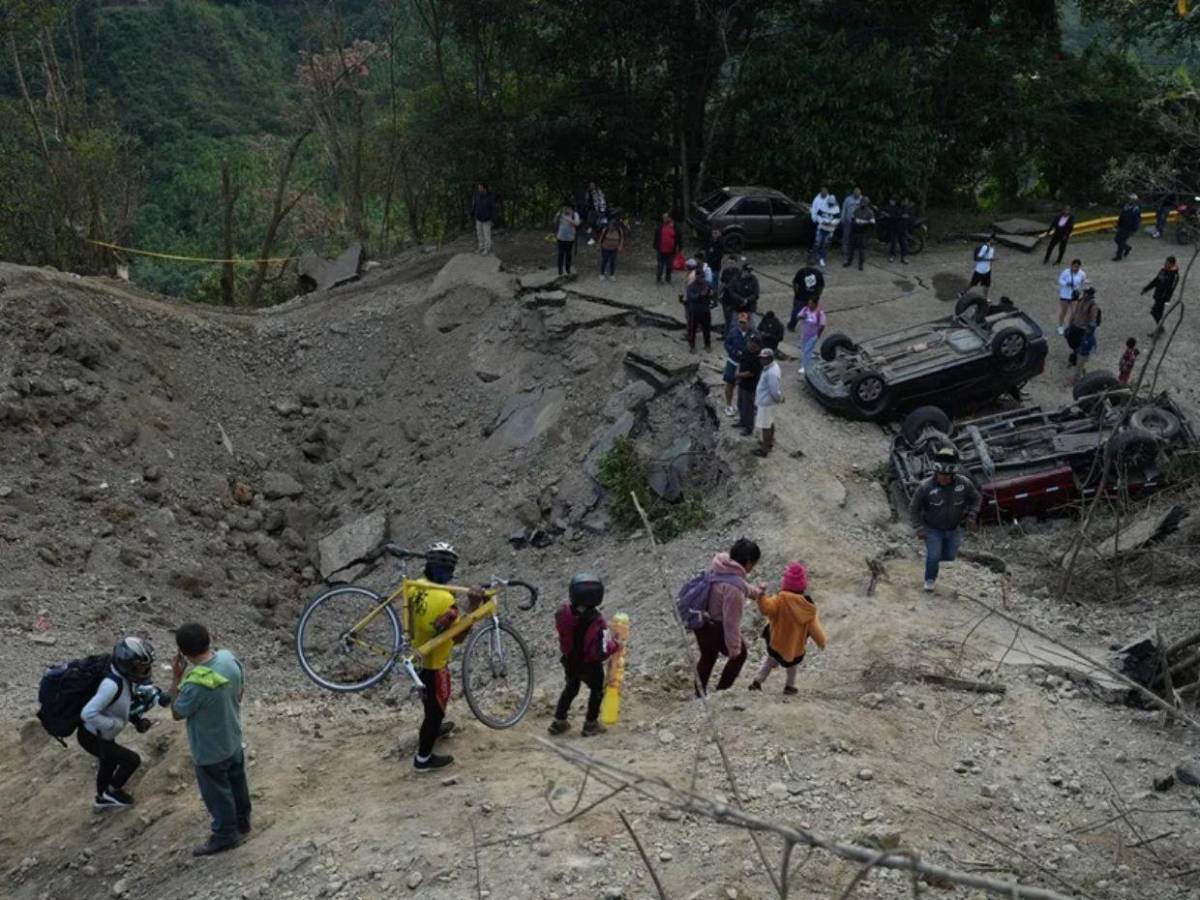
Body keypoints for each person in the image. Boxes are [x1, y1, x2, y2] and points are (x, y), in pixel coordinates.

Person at [399, 542, 486, 773]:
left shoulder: (417, 586)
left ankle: (434, 730)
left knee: (430, 705)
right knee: (436, 711)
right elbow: (457, 638)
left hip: (418, 657)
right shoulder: (443, 600)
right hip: (435, 664)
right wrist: (474, 607)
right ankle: (423, 759)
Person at [167, 624, 250, 856]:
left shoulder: (195, 684)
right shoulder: (228, 659)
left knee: (218, 794)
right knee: (237, 784)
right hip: (233, 738)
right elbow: (240, 693)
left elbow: (176, 712)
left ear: (183, 652)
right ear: (209, 639)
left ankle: (225, 835)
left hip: (209, 750)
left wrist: (176, 679)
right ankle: (243, 823)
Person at [80, 637, 158, 809]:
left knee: (109, 762)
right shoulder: (111, 685)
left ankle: (103, 796)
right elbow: (88, 713)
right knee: (131, 760)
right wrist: (112, 725)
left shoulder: (123, 679)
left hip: (99, 735)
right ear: (126, 663)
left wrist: (136, 721)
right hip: (92, 736)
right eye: (140, 666)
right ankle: (111, 791)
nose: (144, 671)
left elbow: (120, 706)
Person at [548, 574, 620, 737]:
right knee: (596, 690)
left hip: (570, 661)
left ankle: (558, 721)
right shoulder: (597, 620)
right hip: (590, 664)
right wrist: (615, 645)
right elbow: (601, 650)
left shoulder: (563, 613)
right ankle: (590, 724)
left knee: (571, 688)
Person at [694, 538, 764, 695]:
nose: (752, 567)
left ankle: (699, 694)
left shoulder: (720, 567)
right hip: (717, 626)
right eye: (753, 563)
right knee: (740, 655)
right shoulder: (734, 588)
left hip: (701, 622)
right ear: (747, 562)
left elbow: (743, 586)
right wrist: (734, 649)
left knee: (707, 656)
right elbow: (731, 622)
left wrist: (757, 593)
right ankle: (721, 693)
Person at [747, 562, 826, 694]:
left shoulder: (780, 600)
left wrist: (761, 596)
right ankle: (789, 686)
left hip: (777, 642)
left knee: (768, 662)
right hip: (795, 647)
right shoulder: (808, 607)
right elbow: (815, 629)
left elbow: (766, 609)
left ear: (786, 583)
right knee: (793, 667)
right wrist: (821, 642)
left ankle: (757, 682)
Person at [909, 446, 981, 592]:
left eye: (948, 476)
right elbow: (913, 509)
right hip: (932, 529)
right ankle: (929, 580)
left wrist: (972, 515)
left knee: (949, 556)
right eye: (941, 475)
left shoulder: (963, 483)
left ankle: (931, 559)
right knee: (934, 555)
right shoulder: (925, 487)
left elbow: (976, 498)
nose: (944, 478)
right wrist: (918, 527)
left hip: (954, 529)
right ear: (936, 472)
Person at [754, 348, 783, 458]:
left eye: (764, 359)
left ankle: (764, 450)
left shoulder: (771, 373)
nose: (761, 360)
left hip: (766, 404)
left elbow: (774, 391)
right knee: (769, 423)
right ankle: (769, 443)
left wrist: (778, 399)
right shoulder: (770, 367)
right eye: (761, 358)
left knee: (765, 426)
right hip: (767, 402)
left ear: (770, 358)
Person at [722, 313, 752, 417]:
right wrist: (734, 351)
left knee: (744, 386)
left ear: (749, 322)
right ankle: (728, 405)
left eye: (744, 322)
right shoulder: (733, 331)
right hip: (733, 362)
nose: (742, 325)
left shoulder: (753, 333)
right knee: (730, 383)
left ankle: (742, 407)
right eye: (740, 322)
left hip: (745, 364)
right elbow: (726, 344)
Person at [1142, 256, 1180, 335]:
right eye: (1165, 262)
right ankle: (1160, 328)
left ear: (1172, 264)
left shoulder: (1174, 275)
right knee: (1156, 313)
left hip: (1163, 298)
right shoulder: (1163, 270)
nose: (1165, 264)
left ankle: (1159, 330)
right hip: (1158, 295)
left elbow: (1171, 288)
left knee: (1155, 312)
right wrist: (1146, 289)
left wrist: (1166, 299)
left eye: (1167, 263)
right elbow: (1156, 281)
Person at [1065, 285, 1100, 370]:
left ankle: (1075, 362)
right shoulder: (1081, 301)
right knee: (1072, 343)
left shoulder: (1093, 306)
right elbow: (1075, 313)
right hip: (1075, 326)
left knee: (1078, 347)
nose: (1084, 294)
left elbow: (1093, 320)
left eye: (1086, 293)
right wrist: (1070, 323)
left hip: (1082, 330)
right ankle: (1074, 360)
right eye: (1084, 292)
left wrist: (1089, 330)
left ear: (1090, 294)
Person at [682, 263, 714, 352]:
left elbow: (712, 293)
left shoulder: (707, 284)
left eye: (703, 277)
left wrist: (710, 295)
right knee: (692, 329)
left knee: (706, 329)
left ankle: (707, 345)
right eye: (700, 277)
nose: (702, 279)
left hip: (705, 310)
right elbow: (691, 297)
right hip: (695, 310)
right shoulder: (691, 286)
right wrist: (701, 294)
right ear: (696, 276)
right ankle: (692, 346)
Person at [735, 335, 763, 436]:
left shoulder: (758, 357)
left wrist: (738, 375)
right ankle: (742, 421)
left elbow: (751, 373)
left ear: (757, 345)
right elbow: (740, 362)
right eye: (749, 341)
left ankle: (749, 427)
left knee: (748, 407)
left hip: (750, 386)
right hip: (742, 383)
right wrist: (738, 373)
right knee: (740, 403)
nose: (749, 344)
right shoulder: (746, 351)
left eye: (752, 342)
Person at [796, 294, 827, 375]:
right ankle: (811, 362)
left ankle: (804, 367)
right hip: (804, 334)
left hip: (813, 335)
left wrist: (818, 335)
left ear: (815, 304)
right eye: (809, 303)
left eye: (811, 304)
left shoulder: (820, 313)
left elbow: (822, 325)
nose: (809, 305)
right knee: (804, 350)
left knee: (807, 350)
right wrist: (802, 316)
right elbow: (798, 317)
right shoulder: (805, 309)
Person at [809, 186, 840, 268]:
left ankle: (822, 258)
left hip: (830, 230)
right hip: (821, 227)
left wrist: (832, 222)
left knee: (825, 244)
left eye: (831, 204)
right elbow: (818, 215)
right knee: (817, 243)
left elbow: (837, 219)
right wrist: (822, 221)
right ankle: (813, 257)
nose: (830, 205)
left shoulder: (836, 208)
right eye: (829, 203)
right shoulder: (823, 205)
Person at [788, 264, 824, 331]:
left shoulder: (801, 272)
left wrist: (796, 293)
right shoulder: (818, 273)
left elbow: (795, 283)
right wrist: (818, 295)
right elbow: (821, 286)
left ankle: (791, 326)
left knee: (796, 312)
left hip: (801, 296)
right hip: (813, 297)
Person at [1055, 259, 1086, 335]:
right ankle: (1060, 326)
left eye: (1077, 267)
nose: (1076, 269)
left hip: (1074, 295)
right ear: (1071, 265)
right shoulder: (1066, 272)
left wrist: (1082, 287)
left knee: (1074, 312)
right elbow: (1060, 280)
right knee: (1064, 311)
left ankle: (1070, 326)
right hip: (1065, 294)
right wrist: (1066, 283)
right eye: (1074, 266)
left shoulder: (1082, 273)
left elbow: (1083, 282)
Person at [845, 195, 876, 271]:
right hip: (854, 231)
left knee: (861, 249)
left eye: (865, 202)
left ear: (867, 203)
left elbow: (872, 222)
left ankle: (861, 264)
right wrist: (855, 221)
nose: (863, 203)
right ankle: (849, 261)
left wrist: (864, 222)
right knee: (851, 248)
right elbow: (853, 219)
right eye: (862, 201)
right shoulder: (857, 210)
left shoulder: (870, 212)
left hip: (863, 233)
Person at [962, 235, 996, 299]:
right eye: (994, 240)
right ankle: (962, 293)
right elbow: (978, 257)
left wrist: (990, 267)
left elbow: (990, 259)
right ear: (991, 240)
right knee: (973, 283)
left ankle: (985, 298)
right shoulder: (985, 247)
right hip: (979, 270)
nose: (995, 242)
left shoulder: (992, 249)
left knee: (987, 285)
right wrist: (989, 260)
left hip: (987, 270)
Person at [597, 212, 626, 280]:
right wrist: (599, 246)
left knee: (613, 261)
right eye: (610, 226)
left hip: (614, 248)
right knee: (605, 260)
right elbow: (601, 238)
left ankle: (612, 275)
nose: (611, 228)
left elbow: (622, 238)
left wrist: (620, 246)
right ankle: (602, 274)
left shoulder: (619, 230)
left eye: (612, 227)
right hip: (605, 247)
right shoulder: (606, 230)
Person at [653, 212, 680, 284]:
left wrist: (679, 247)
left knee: (669, 265)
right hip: (661, 250)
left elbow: (678, 237)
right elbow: (656, 236)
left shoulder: (674, 226)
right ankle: (658, 279)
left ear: (669, 218)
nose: (664, 219)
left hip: (670, 250)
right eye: (663, 217)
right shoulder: (660, 226)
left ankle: (668, 278)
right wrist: (655, 246)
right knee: (660, 265)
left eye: (665, 217)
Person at [469, 183, 496, 254]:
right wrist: (472, 213)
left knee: (486, 234)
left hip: (487, 218)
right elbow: (474, 206)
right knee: (479, 234)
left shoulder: (490, 196)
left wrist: (492, 218)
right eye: (478, 188)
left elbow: (493, 208)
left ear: (485, 188)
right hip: (478, 217)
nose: (479, 189)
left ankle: (487, 249)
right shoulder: (476, 195)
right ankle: (481, 247)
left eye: (480, 188)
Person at [1113, 194, 1141, 261]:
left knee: (1121, 240)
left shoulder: (1136, 209)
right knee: (1117, 239)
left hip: (1129, 228)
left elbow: (1137, 220)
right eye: (1129, 199)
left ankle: (1119, 256)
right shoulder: (1126, 206)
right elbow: (1121, 216)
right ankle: (1127, 248)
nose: (1130, 200)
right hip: (1123, 226)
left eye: (1131, 199)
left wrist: (1134, 229)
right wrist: (1118, 224)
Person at [555, 203, 581, 275]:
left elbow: (577, 224)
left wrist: (568, 219)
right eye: (565, 208)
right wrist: (558, 216)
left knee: (568, 254)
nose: (566, 210)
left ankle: (568, 268)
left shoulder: (575, 215)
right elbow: (555, 221)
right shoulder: (560, 213)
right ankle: (560, 269)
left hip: (570, 238)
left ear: (571, 208)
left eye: (568, 208)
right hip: (561, 237)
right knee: (560, 254)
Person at [841, 187, 862, 263]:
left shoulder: (861, 199)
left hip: (857, 222)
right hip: (848, 221)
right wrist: (842, 218)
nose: (858, 195)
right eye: (856, 193)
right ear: (854, 193)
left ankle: (852, 251)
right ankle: (844, 251)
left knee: (855, 238)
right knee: (846, 236)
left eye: (859, 194)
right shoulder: (848, 199)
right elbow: (844, 209)